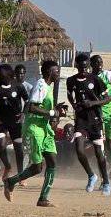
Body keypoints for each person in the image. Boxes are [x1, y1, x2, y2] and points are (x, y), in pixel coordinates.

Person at [4, 59, 68, 207]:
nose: (58, 74)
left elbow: (44, 107)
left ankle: (43, 198)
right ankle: (10, 182)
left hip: (44, 128)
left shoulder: (48, 86)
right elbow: (30, 107)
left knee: (52, 161)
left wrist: (57, 109)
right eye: (56, 71)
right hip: (34, 129)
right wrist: (52, 112)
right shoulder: (41, 85)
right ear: (49, 72)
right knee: (37, 167)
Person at [66, 53, 111, 195]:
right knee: (79, 149)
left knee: (99, 153)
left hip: (95, 119)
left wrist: (92, 103)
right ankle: (91, 175)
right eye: (81, 67)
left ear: (88, 66)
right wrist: (73, 104)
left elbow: (106, 99)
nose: (83, 69)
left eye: (85, 67)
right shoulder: (71, 80)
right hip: (81, 119)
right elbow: (69, 95)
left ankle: (106, 182)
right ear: (76, 66)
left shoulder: (96, 79)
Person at [0, 63, 29, 180]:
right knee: (1, 145)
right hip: (0, 121)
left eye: (3, 76)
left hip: (15, 121)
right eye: (0, 75)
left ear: (9, 75)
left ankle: (21, 175)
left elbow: (27, 101)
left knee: (18, 148)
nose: (1, 78)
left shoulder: (18, 86)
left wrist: (23, 113)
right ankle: (8, 167)